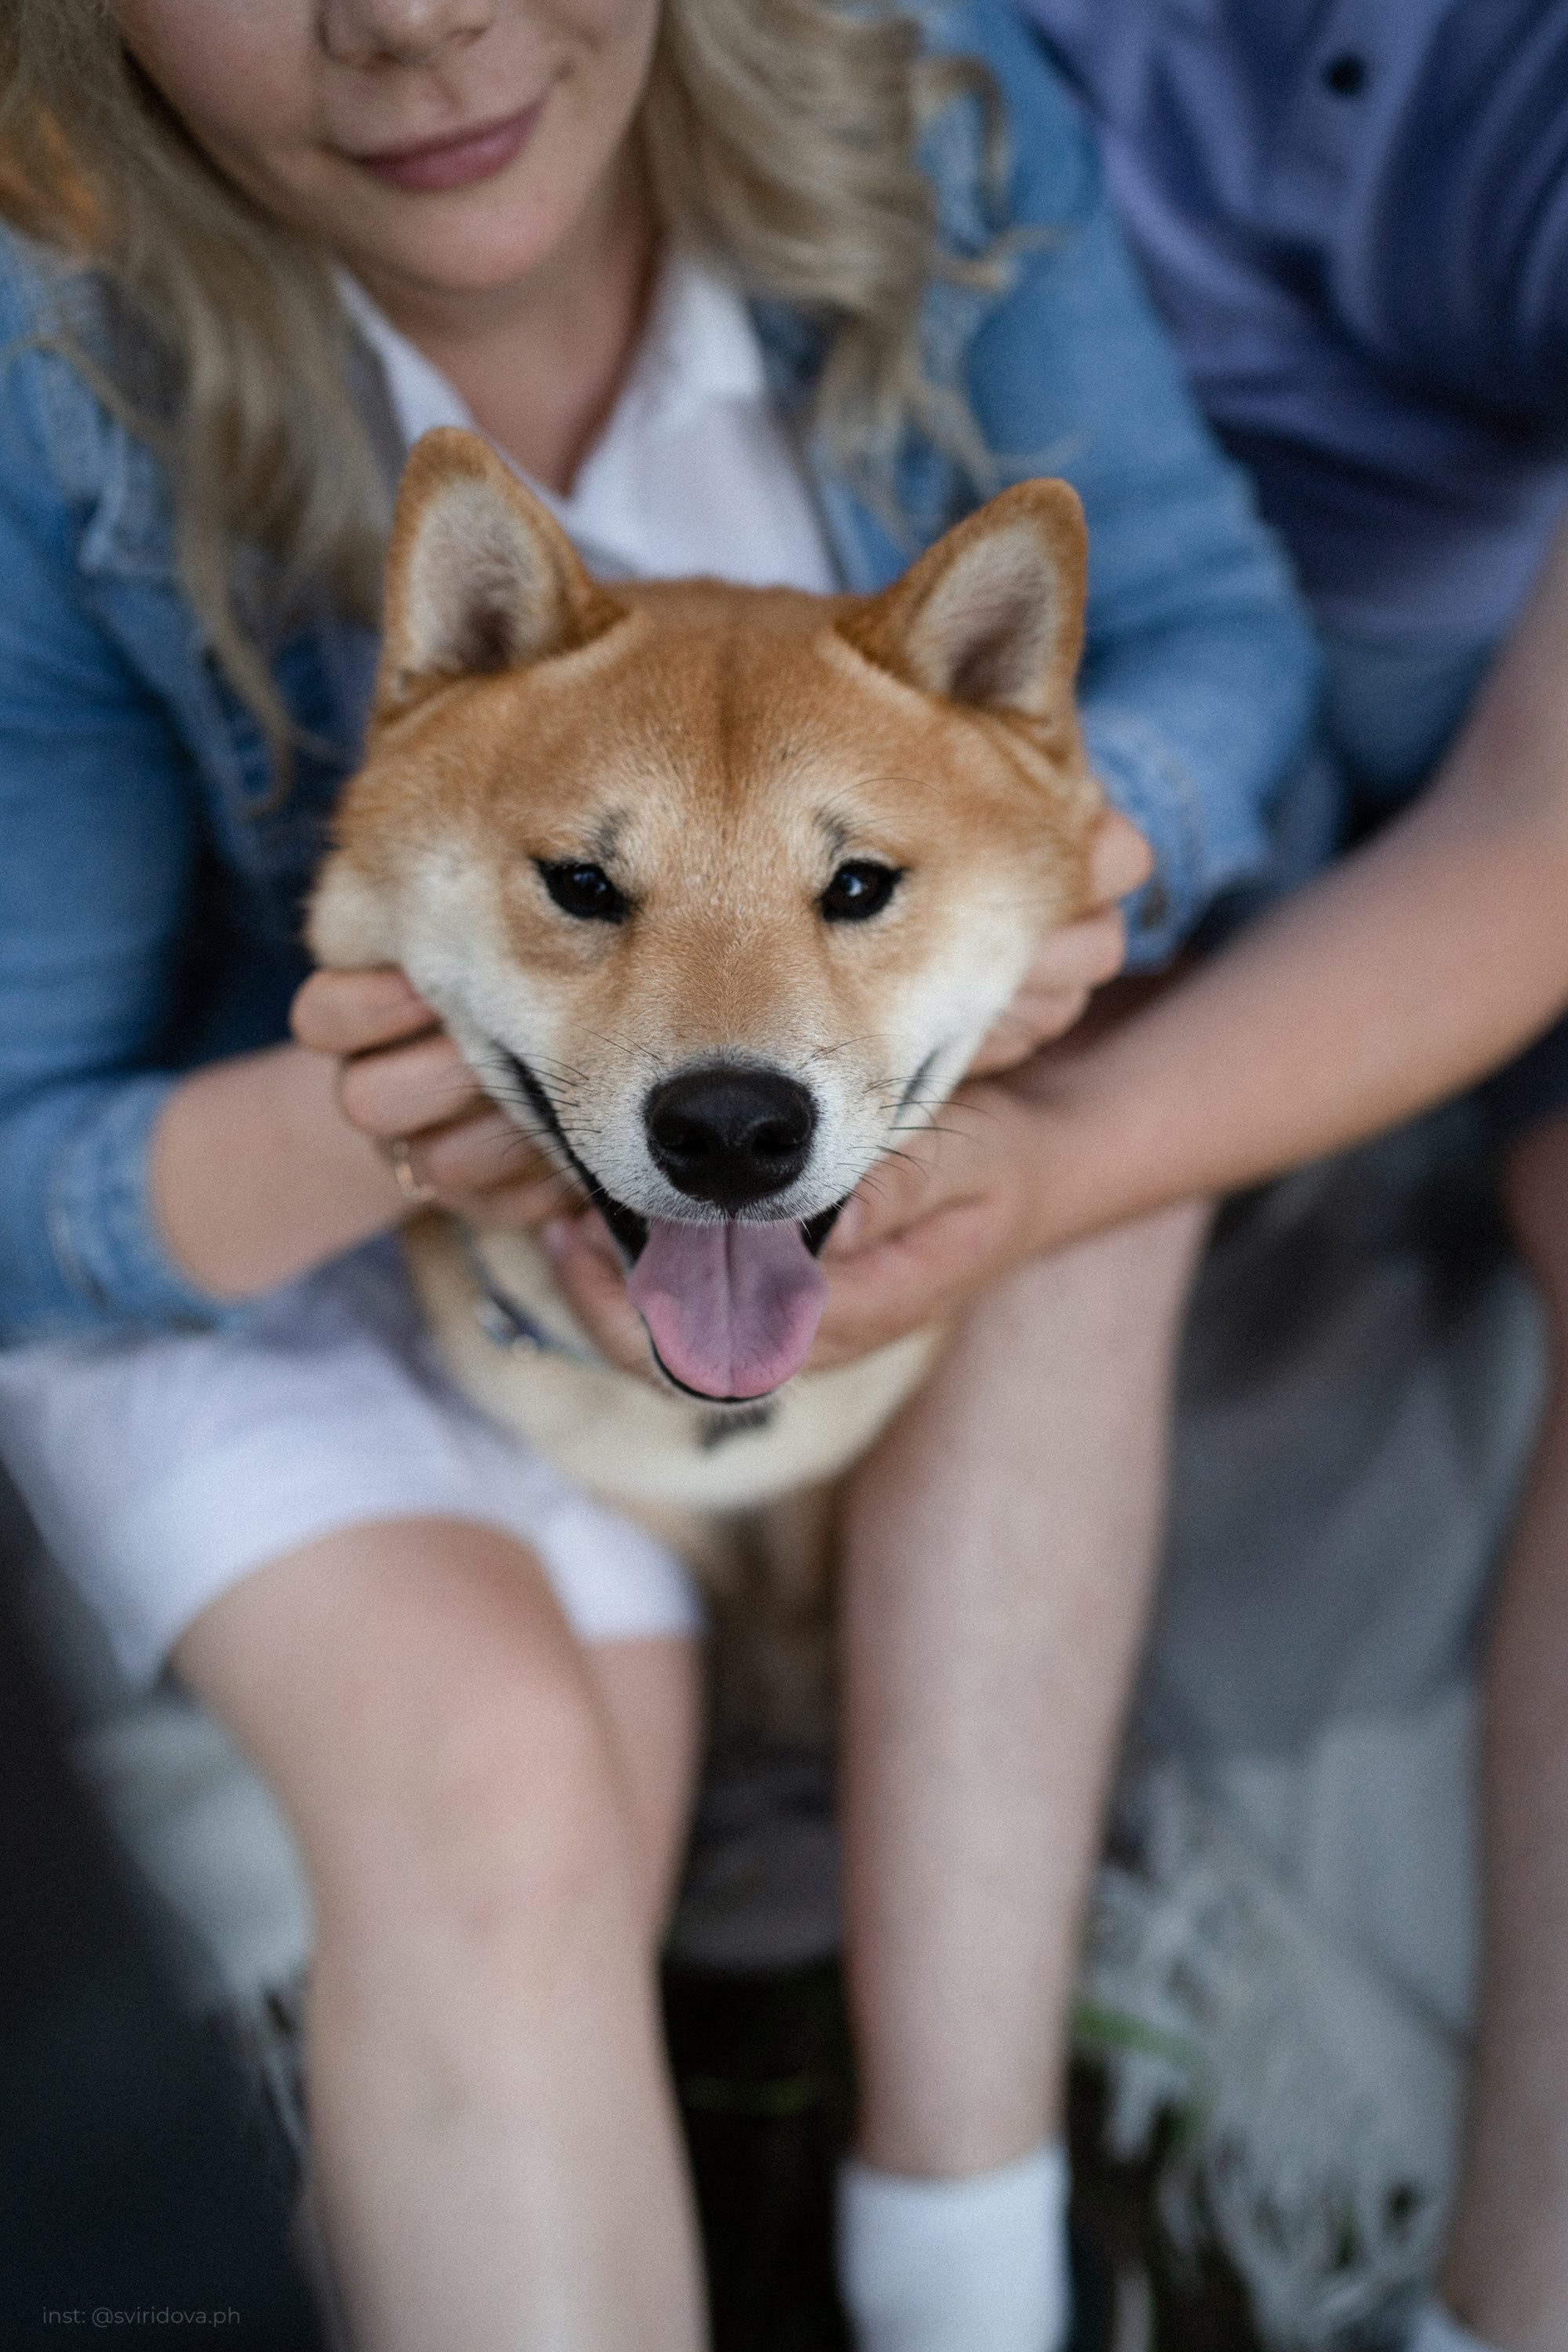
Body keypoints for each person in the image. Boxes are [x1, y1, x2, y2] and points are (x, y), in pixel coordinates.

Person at [0, 2, 1318, 2346]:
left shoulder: (926, 117)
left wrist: (1046, 885)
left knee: (1117, 1189)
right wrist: (390, 1121)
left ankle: (960, 2259)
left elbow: (1215, 640)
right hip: (258, 1257)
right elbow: (26, 1168)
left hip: (623, 1308)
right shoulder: (44, 365)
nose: (412, 18)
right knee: (503, 1791)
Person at [619, 5, 1567, 2347]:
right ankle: (954, 2268)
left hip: (1483, 728)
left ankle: (1512, 2302)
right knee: (1042, 1091)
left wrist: (1069, 1139)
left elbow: (1539, 838)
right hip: (967, 660)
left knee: (1070, 1129)